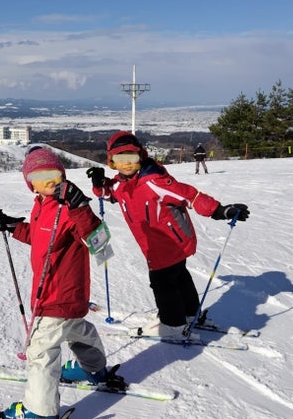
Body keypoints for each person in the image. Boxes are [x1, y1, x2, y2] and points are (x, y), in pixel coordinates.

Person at [86, 131, 250, 338]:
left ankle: (172, 324)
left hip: (168, 243)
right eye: (120, 159)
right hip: (159, 243)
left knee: (162, 282)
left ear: (141, 157)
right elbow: (108, 194)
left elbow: (189, 195)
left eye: (132, 158)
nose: (126, 164)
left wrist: (219, 210)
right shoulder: (120, 183)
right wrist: (98, 184)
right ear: (112, 162)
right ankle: (190, 314)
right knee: (179, 276)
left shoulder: (155, 181)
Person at [0, 147, 110, 419]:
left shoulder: (70, 208)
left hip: (58, 295)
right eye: (39, 176)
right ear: (30, 182)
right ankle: (92, 368)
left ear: (63, 175)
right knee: (77, 330)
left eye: (53, 174)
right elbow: (42, 237)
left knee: (41, 351)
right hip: (65, 296)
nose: (48, 181)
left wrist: (80, 206)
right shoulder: (42, 205)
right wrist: (14, 227)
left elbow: (100, 242)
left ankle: (40, 412)